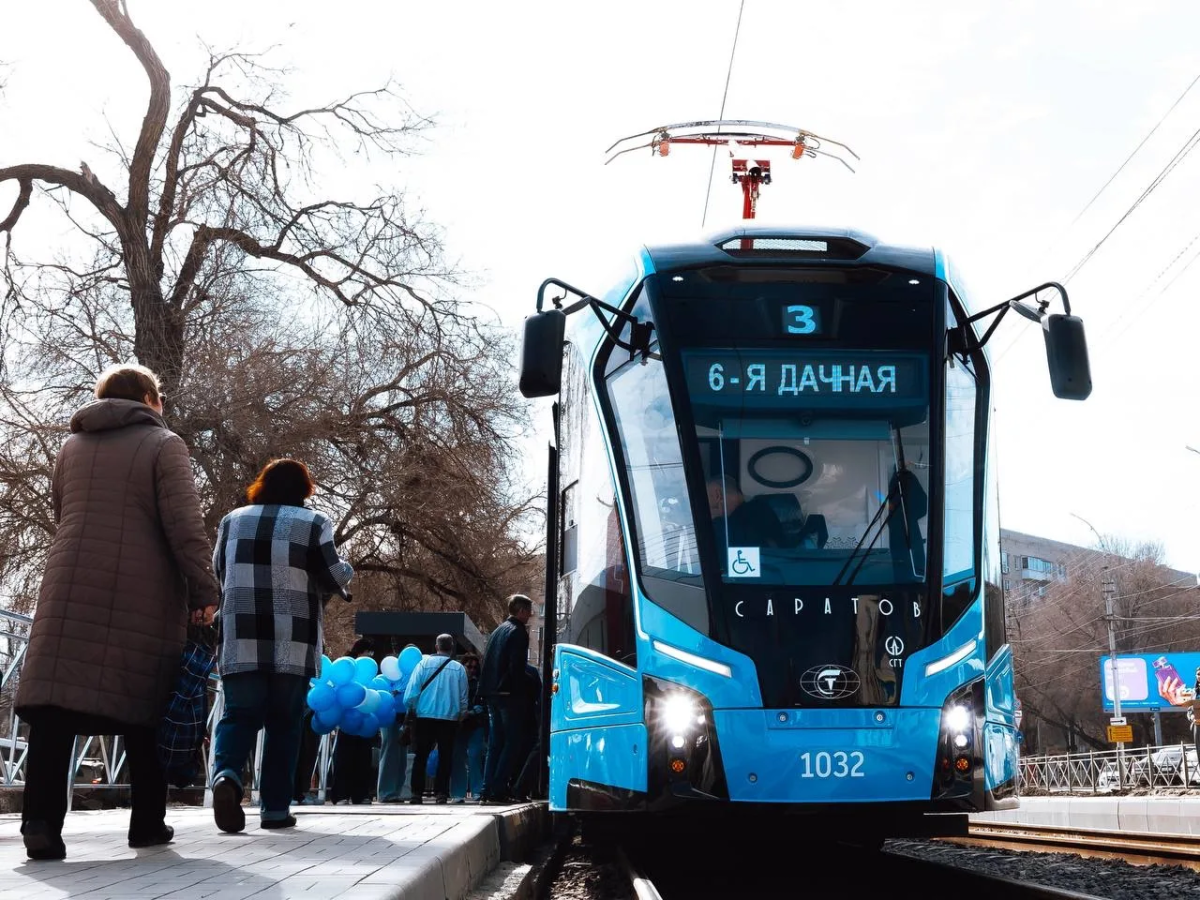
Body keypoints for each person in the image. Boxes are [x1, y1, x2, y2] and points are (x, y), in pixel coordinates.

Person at [16, 364, 219, 860]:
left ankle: (40, 822)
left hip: (68, 583)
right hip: (141, 589)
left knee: (55, 707)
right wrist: (204, 590)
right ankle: (146, 823)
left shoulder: (72, 447)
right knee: (144, 704)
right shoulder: (164, 444)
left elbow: (64, 511)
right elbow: (184, 527)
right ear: (149, 399)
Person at [209, 458, 353, 833]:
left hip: (241, 634)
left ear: (262, 484)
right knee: (285, 723)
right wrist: (347, 572)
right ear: (304, 489)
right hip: (293, 637)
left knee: (239, 715)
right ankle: (274, 810)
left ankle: (226, 775)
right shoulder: (314, 523)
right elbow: (332, 575)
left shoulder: (231, 520)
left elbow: (219, 570)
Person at [478, 594, 533, 805]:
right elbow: (516, 667)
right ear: (521, 611)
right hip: (509, 695)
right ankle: (498, 789)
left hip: (492, 694)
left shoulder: (498, 631)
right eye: (529, 611)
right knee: (512, 743)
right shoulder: (518, 632)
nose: (530, 615)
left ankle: (487, 789)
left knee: (495, 743)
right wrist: (522, 691)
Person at [403, 635, 468, 804]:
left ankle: (416, 793)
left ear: (436, 646)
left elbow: (412, 691)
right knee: (445, 757)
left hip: (425, 716)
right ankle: (441, 793)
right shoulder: (459, 668)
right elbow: (463, 697)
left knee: (421, 755)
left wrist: (411, 708)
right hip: (449, 718)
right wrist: (461, 714)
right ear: (452, 648)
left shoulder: (423, 664)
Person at [330, 638, 377, 805]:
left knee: (361, 759)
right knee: (347, 758)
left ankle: (359, 794)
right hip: (348, 719)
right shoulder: (347, 665)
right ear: (362, 651)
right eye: (369, 651)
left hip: (363, 719)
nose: (371, 655)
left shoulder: (367, 668)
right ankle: (343, 794)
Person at [377, 640, 414, 803]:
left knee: (401, 756)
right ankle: (386, 792)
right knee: (390, 752)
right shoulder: (393, 670)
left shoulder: (414, 673)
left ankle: (395, 791)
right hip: (390, 714)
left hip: (405, 716)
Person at [449, 653, 487, 803]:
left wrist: (473, 711)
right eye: (469, 667)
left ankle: (476, 790)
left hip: (474, 723)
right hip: (461, 723)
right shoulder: (458, 682)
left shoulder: (478, 684)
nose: (472, 670)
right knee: (458, 757)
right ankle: (459, 792)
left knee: (474, 757)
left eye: (474, 668)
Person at [511, 662, 544, 801]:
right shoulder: (531, 671)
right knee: (536, 749)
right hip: (530, 716)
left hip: (516, 714)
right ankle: (523, 787)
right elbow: (538, 694)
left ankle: (518, 786)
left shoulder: (506, 670)